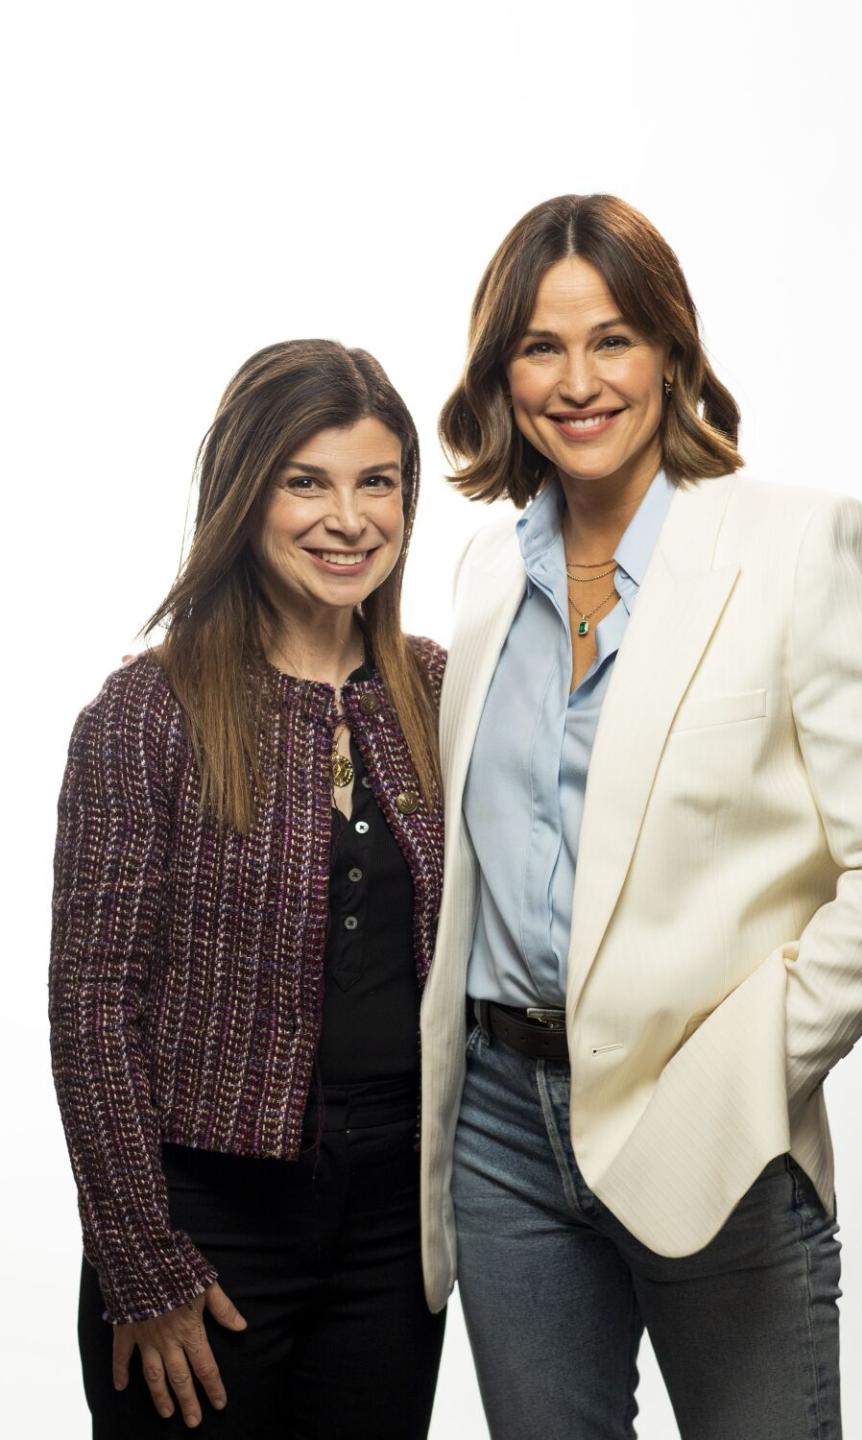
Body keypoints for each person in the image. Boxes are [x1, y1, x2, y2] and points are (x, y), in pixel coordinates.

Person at [416, 194, 862, 1439]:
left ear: (671, 351)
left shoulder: (798, 544)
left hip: (712, 1131)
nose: (579, 380)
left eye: (613, 339)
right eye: (541, 346)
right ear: (503, 370)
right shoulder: (490, 574)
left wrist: (754, 1072)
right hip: (503, 1134)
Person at [50, 339, 446, 1439]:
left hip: (392, 1227)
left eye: (377, 482)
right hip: (203, 1222)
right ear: (244, 493)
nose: (348, 517)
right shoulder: (148, 712)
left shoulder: (441, 693)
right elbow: (93, 1007)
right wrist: (138, 1259)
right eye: (305, 480)